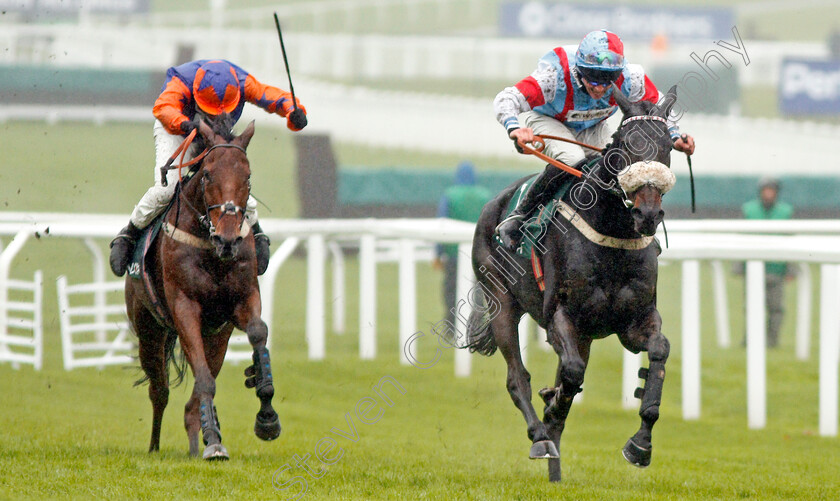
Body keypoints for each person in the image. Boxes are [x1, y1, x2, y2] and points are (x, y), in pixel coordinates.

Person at [493, 29, 696, 251]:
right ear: (579, 69)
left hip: (593, 124)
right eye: (592, 78)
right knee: (573, 159)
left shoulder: (631, 77)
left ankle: (635, 226)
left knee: (616, 164)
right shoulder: (554, 75)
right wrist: (514, 127)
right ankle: (520, 216)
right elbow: (507, 98)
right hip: (548, 119)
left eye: (606, 80)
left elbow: (659, 107)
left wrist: (676, 137)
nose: (599, 88)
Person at [109, 59, 307, 277]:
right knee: (168, 188)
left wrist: (293, 112)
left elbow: (275, 97)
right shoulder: (181, 81)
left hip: (214, 136)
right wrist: (185, 124)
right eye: (211, 110)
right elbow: (163, 107)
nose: (217, 114)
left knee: (230, 182)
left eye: (223, 110)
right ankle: (129, 233)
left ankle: (256, 231)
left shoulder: (243, 82)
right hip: (176, 130)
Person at [433, 161, 492, 330]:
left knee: (452, 290)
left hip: (453, 254)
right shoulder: (484, 195)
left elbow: (441, 225)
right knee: (477, 292)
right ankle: (476, 326)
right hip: (479, 254)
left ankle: (452, 326)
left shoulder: (450, 195)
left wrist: (438, 253)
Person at [742, 176, 794, 348]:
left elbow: (791, 241)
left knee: (776, 309)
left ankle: (772, 341)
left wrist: (790, 269)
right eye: (766, 190)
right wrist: (739, 266)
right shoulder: (748, 210)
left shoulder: (786, 212)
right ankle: (749, 340)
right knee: (751, 307)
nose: (769, 193)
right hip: (752, 266)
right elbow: (740, 238)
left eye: (771, 190)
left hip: (776, 268)